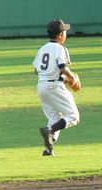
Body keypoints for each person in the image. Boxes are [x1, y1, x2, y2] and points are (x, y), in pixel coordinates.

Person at [32, 19, 80, 156]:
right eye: (64, 31)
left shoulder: (42, 49)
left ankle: (48, 149)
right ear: (60, 35)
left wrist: (62, 78)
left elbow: (37, 70)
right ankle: (49, 131)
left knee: (55, 118)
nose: (66, 33)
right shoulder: (60, 48)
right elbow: (62, 67)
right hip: (54, 86)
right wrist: (72, 78)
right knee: (73, 116)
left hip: (42, 86)